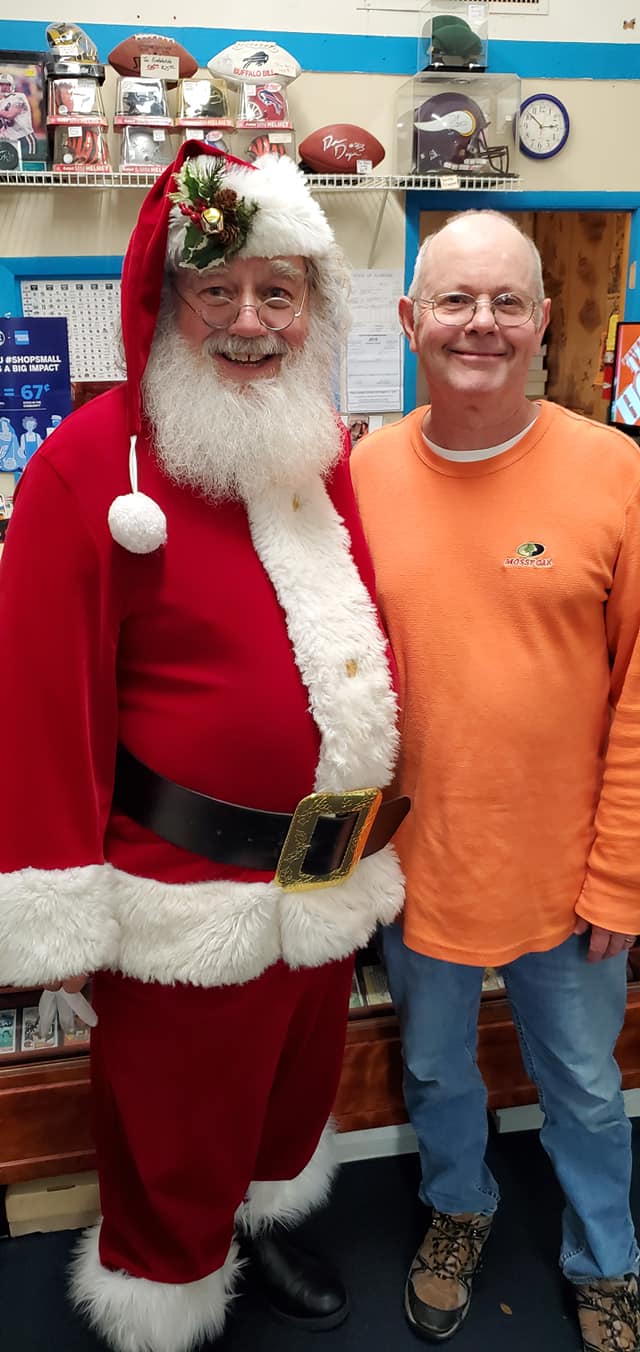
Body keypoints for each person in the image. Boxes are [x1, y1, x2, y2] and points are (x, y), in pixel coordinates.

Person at [0, 143, 406, 1352]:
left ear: (312, 308)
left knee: (285, 1093)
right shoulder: (89, 466)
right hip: (176, 884)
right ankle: (165, 1282)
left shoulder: (315, 451)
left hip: (319, 875)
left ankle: (259, 1217)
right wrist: (57, 901)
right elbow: (39, 700)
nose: (249, 321)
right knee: (174, 1122)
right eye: (216, 289)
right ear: (165, 300)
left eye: (278, 292)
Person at [351, 210, 640, 1352]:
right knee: (434, 1072)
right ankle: (458, 1207)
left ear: (543, 320)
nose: (481, 323)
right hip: (416, 867)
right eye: (456, 300)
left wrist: (623, 873)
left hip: (567, 878)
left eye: (506, 301)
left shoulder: (615, 472)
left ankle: (607, 1256)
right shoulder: (363, 475)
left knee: (585, 1089)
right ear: (410, 318)